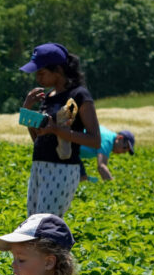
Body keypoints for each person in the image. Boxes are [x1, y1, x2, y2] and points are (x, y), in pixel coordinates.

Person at [20, 43, 101, 217]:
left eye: (41, 73)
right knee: (32, 224)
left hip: (62, 169)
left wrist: (56, 130)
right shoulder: (48, 97)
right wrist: (27, 109)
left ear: (58, 70)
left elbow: (95, 140)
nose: (38, 78)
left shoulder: (79, 95)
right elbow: (38, 139)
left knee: (45, 226)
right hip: (39, 167)